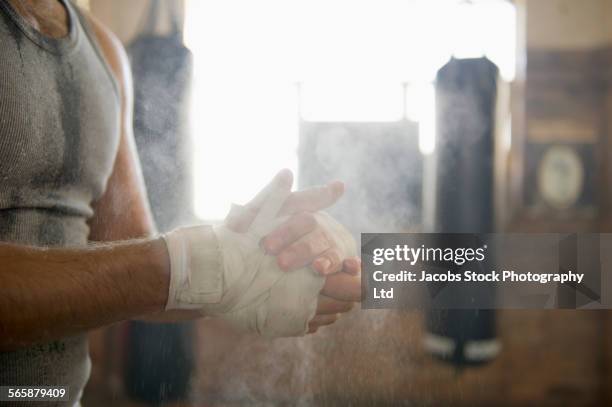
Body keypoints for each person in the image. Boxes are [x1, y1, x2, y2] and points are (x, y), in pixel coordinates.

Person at [0, 0, 362, 405]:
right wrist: (201, 262)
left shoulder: (105, 53)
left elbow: (134, 270)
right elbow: (156, 273)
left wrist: (257, 257)